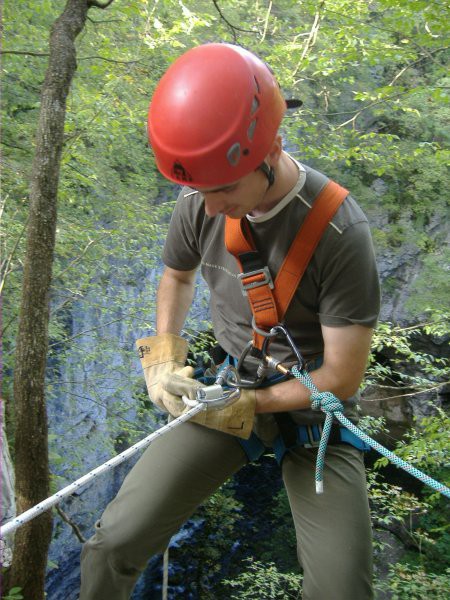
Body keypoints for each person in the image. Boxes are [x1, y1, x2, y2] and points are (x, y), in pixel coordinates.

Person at [80, 43, 380, 600]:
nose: (210, 208)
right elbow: (176, 274)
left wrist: (254, 405)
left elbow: (341, 376)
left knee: (343, 591)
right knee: (112, 544)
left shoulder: (341, 233)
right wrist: (163, 357)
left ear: (273, 149)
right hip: (231, 383)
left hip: (317, 413)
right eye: (200, 191)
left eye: (224, 190)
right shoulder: (203, 194)